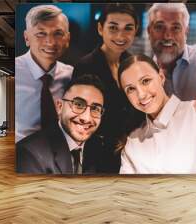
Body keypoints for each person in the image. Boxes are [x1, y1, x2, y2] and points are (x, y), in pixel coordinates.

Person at [118, 54, 196, 174]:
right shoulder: (132, 145)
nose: (141, 95)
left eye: (145, 81)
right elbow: (127, 190)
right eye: (130, 89)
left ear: (161, 77)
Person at [72, 3, 143, 173]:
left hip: (132, 147)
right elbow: (81, 112)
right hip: (97, 151)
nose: (121, 35)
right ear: (100, 28)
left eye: (128, 28)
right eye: (113, 27)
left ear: (135, 30)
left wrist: (129, 136)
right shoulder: (85, 65)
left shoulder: (133, 63)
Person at [16, 74, 105, 174]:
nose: (86, 118)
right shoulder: (29, 154)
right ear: (59, 107)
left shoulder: (100, 149)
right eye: (78, 104)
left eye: (95, 109)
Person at [15, 5, 72, 142]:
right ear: (27, 38)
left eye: (58, 33)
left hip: (62, 155)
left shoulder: (72, 75)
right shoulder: (14, 73)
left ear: (67, 39)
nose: (50, 42)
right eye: (41, 33)